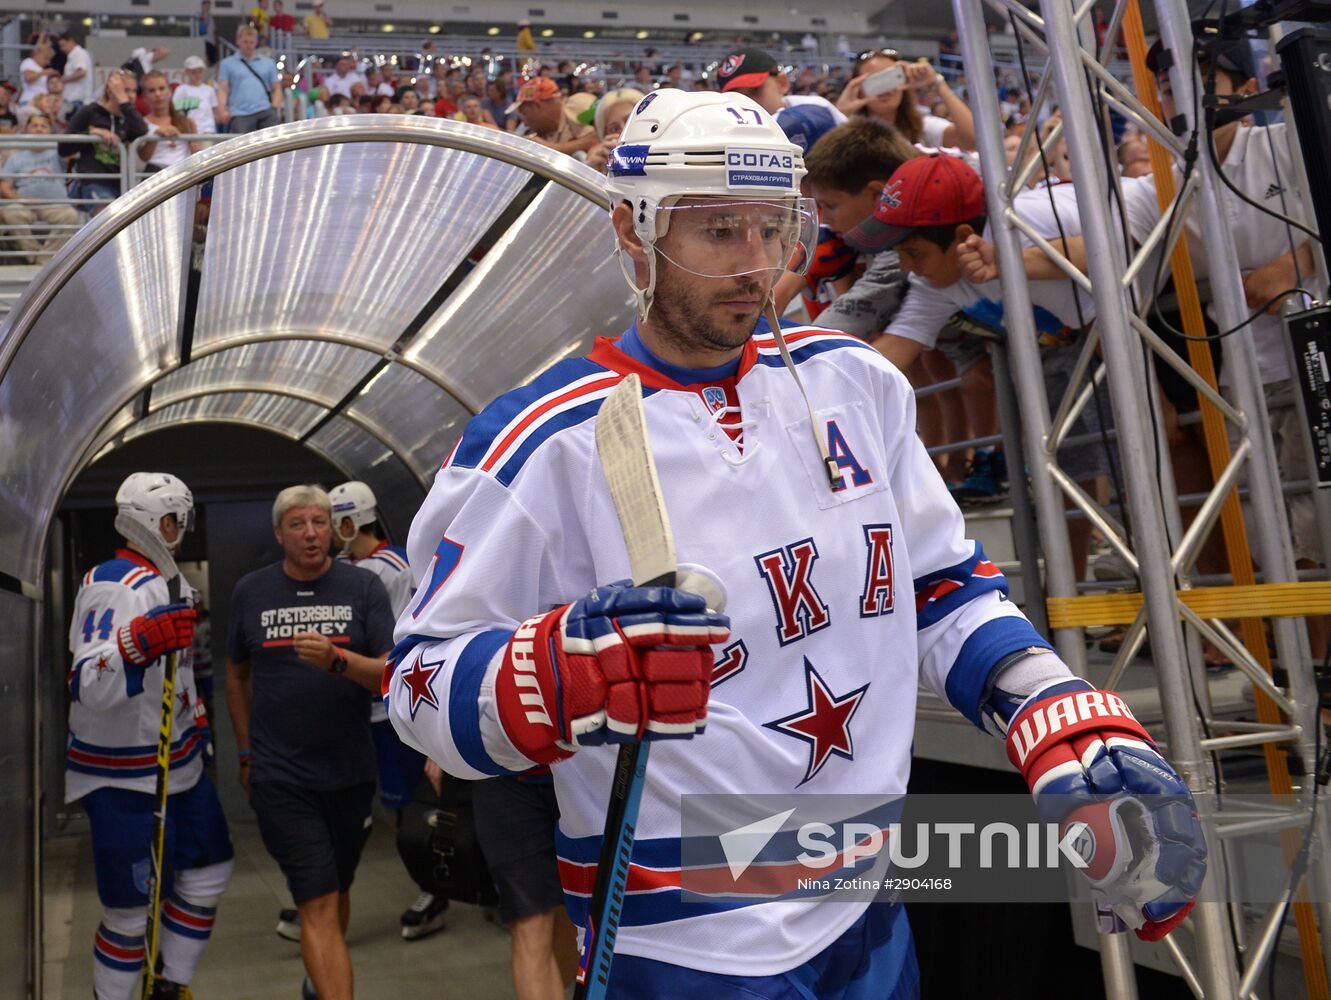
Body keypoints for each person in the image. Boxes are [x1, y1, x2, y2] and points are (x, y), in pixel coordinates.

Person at [386, 89, 1207, 997]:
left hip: (869, 905)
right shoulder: (541, 440)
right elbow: (420, 688)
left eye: (772, 228)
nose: (751, 263)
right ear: (631, 230)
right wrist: (556, 675)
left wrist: (1044, 706)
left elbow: (939, 588)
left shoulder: (853, 383)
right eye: (716, 228)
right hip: (683, 945)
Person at [68, 472, 233, 1000]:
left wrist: (199, 722)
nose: (180, 531)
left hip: (177, 763)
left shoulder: (173, 583)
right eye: (175, 521)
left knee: (209, 870)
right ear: (160, 522)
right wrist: (134, 645)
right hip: (124, 775)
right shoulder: (112, 583)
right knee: (129, 910)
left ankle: (169, 988)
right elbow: (86, 684)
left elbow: (182, 673)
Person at [226, 485, 395, 1000]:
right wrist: (247, 751)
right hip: (282, 775)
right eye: (298, 524)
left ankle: (319, 978)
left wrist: (338, 661)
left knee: (337, 889)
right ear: (280, 534)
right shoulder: (251, 592)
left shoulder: (363, 588)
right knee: (316, 899)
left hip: (349, 770)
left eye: (320, 522)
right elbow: (236, 673)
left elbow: (392, 674)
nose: (311, 534)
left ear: (334, 528)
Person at [837, 49, 976, 152]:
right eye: (875, 81)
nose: (885, 89)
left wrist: (938, 84)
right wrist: (839, 113)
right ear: (857, 87)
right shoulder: (843, 131)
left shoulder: (923, 128)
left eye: (891, 78)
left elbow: (973, 141)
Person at [60, 70, 147, 212]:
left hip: (122, 184)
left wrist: (123, 100)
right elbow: (63, 148)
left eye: (133, 91)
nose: (130, 95)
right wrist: (91, 133)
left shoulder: (128, 116)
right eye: (125, 90)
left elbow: (142, 130)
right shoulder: (89, 111)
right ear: (109, 89)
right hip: (94, 181)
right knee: (108, 217)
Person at [0, 114, 80, 262]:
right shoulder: (15, 158)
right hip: (25, 205)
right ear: (26, 130)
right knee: (10, 212)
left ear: (50, 131)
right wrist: (23, 199)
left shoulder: (59, 154)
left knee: (71, 215)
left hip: (55, 205)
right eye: (35, 126)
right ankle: (35, 256)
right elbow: (5, 188)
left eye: (43, 126)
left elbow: (75, 151)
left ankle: (44, 260)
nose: (39, 129)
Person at [717, 47, 847, 125]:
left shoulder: (818, 107)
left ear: (782, 83)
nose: (746, 104)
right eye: (735, 98)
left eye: (755, 91)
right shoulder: (726, 130)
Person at [217, 24, 282, 134]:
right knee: (243, 148)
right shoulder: (227, 64)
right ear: (238, 41)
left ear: (256, 42)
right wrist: (222, 111)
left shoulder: (268, 63)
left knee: (273, 147)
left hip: (265, 110)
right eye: (245, 42)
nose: (248, 45)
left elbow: (277, 88)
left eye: (251, 42)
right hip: (240, 113)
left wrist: (274, 108)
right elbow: (223, 89)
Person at [509, 76, 597, 156]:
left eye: (525, 114)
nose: (525, 123)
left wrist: (549, 148)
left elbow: (597, 138)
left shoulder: (579, 103)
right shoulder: (543, 132)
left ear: (537, 106)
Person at [140, 71, 203, 174]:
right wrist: (155, 135)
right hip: (153, 174)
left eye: (161, 88)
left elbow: (196, 153)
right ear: (145, 96)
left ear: (170, 92)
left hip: (182, 173)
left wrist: (196, 149)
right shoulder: (143, 122)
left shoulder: (187, 122)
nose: (157, 94)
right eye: (152, 90)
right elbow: (144, 156)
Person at [173, 56, 219, 135]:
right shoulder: (181, 90)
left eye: (200, 71)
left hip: (209, 130)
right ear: (186, 72)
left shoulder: (209, 90)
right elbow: (176, 110)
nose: (197, 75)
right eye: (193, 72)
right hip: (190, 131)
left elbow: (215, 111)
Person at [58, 30, 95, 108]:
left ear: (71, 41)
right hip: (73, 99)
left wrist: (63, 79)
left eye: (63, 45)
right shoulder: (73, 56)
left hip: (78, 98)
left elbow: (81, 72)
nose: (62, 49)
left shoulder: (78, 53)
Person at [19, 37, 57, 108]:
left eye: (49, 59)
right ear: (38, 54)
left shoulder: (41, 68)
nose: (47, 62)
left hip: (42, 102)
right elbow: (28, 77)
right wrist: (44, 73)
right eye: (46, 58)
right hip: (30, 101)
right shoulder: (29, 62)